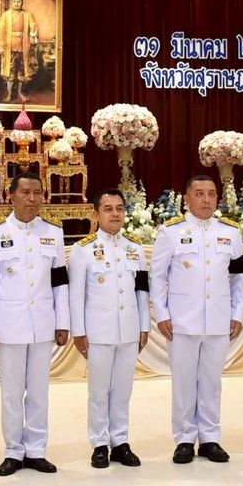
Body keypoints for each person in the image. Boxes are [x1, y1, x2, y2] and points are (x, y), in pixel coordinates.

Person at [151, 173, 243, 464]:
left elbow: (238, 277)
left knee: (211, 382)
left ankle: (210, 438)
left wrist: (237, 313)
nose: (206, 199)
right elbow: (157, 276)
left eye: (211, 194)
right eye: (199, 194)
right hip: (181, 321)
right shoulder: (170, 232)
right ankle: (184, 439)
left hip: (218, 320)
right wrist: (162, 313)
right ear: (187, 198)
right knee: (183, 382)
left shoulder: (230, 232)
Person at [0, 171, 69, 476]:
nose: (32, 199)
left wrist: (63, 321)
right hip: (9, 324)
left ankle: (36, 449)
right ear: (11, 195)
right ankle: (13, 451)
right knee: (11, 392)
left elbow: (60, 280)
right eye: (25, 192)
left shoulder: (53, 232)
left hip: (43, 322)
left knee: (39, 391)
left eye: (37, 193)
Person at [67, 188, 149, 469]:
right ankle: (100, 443)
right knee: (99, 391)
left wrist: (144, 326)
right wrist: (79, 331)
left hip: (128, 330)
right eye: (108, 209)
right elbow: (76, 295)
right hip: (98, 331)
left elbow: (141, 290)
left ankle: (121, 441)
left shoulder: (135, 247)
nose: (115, 214)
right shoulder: (83, 250)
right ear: (96, 214)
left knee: (123, 390)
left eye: (119, 208)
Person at [0, 0, 41, 103]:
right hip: (9, 48)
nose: (16, 4)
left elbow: (34, 27)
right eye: (14, 1)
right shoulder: (5, 15)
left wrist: (33, 35)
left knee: (22, 72)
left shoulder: (27, 15)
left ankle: (20, 93)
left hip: (23, 48)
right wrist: (1, 46)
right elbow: (0, 32)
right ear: (12, 2)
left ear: (22, 2)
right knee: (10, 72)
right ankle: (9, 95)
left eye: (18, 1)